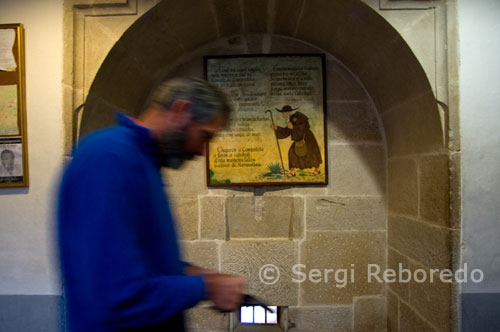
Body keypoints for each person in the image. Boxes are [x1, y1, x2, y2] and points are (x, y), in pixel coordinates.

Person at [58, 77, 247, 332]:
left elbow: (144, 264)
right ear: (181, 110)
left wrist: (200, 275)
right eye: (204, 136)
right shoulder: (109, 157)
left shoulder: (144, 160)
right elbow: (117, 297)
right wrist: (207, 287)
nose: (203, 152)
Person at [270, 105, 322, 177]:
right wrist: (276, 128)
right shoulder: (289, 120)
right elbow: (287, 131)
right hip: (298, 139)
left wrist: (293, 127)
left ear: (287, 113)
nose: (282, 114)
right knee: (291, 153)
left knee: (312, 153)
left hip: (307, 138)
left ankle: (317, 170)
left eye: (283, 113)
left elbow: (305, 126)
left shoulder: (298, 116)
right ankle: (292, 172)